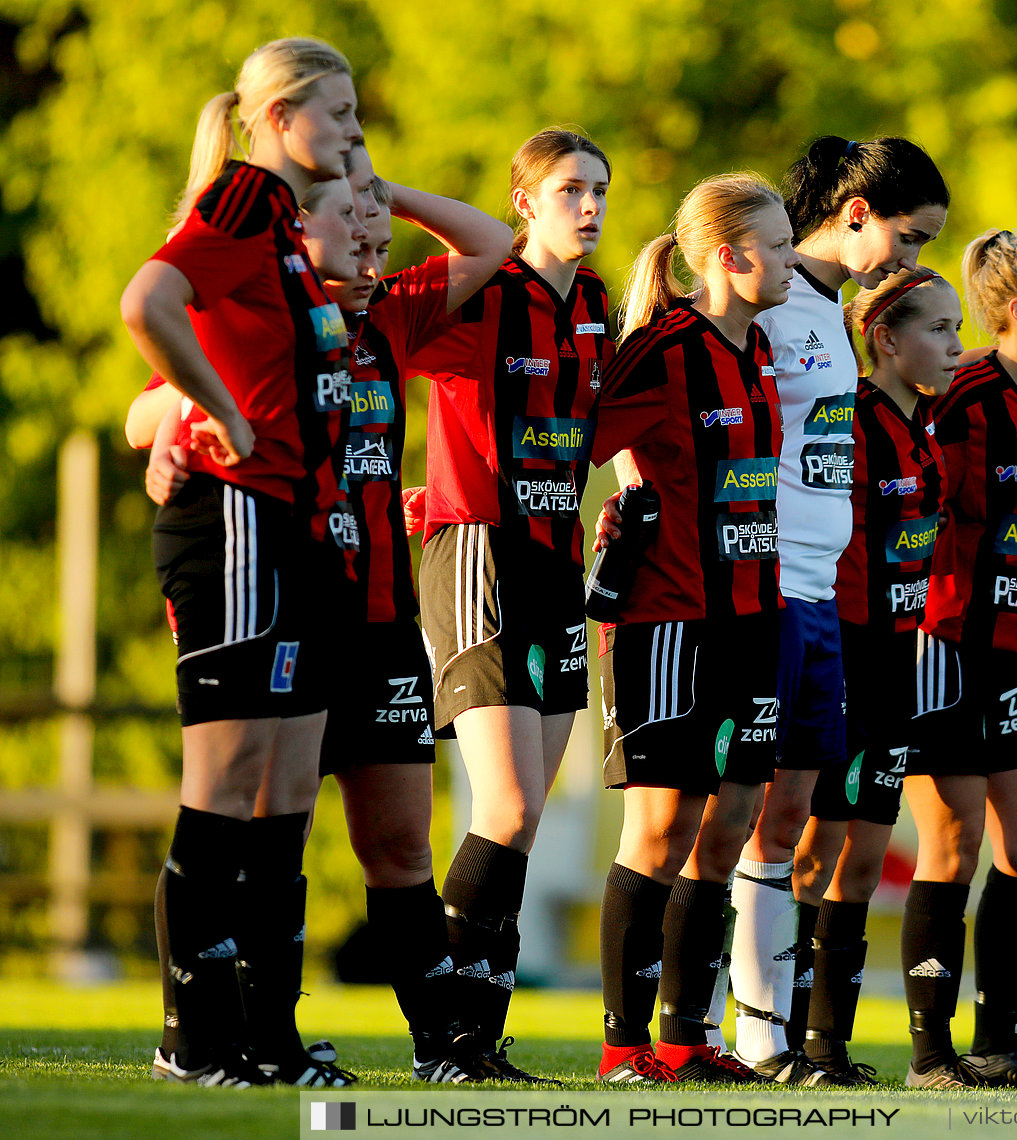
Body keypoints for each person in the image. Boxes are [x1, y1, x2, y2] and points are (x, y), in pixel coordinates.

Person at [131, 152, 514, 1082]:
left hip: (381, 618)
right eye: (354, 222)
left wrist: (384, 190)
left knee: (397, 842)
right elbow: (146, 410)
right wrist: (182, 426)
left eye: (380, 227)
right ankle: (256, 1037)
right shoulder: (259, 322)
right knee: (269, 828)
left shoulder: (392, 316)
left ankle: (443, 1050)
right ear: (295, 234)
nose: (375, 239)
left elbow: (493, 242)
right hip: (293, 598)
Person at [118, 36, 363, 1089]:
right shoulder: (236, 203)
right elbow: (149, 303)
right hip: (235, 524)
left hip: (294, 529)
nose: (355, 135)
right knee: (221, 786)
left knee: (279, 791)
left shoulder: (284, 230)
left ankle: (260, 1038)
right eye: (339, 114)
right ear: (277, 120)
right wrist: (207, 411)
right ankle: (191, 1041)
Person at [724, 135, 950, 1085]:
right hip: (765, 592)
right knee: (744, 818)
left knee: (789, 824)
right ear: (856, 213)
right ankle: (725, 1033)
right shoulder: (768, 308)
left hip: (817, 596)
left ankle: (781, 1041)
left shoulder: (823, 311)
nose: (908, 257)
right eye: (907, 234)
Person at [407, 127, 614, 1084]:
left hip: (554, 565)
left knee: (521, 820)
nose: (590, 207)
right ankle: (443, 1037)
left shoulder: (600, 310)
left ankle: (478, 1044)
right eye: (569, 189)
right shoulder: (483, 292)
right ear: (523, 203)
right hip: (477, 552)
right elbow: (383, 349)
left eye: (600, 191)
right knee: (509, 802)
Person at [589, 172, 797, 1085]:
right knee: (660, 828)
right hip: (668, 620)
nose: (792, 261)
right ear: (727, 256)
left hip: (755, 618)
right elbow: (576, 436)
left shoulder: (756, 352)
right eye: (781, 246)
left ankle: (685, 1040)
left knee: (734, 821)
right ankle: (624, 1047)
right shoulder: (666, 346)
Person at [900, 229, 1017, 1089]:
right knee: (952, 845)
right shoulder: (964, 392)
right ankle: (931, 1057)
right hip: (945, 642)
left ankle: (1001, 1041)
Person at [799, 267, 962, 1083]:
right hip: (844, 658)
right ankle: (782, 1039)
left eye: (959, 329)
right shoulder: (852, 419)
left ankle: (832, 1045)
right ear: (886, 340)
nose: (955, 346)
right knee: (810, 853)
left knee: (864, 861)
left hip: (899, 662)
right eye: (939, 329)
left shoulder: (930, 423)